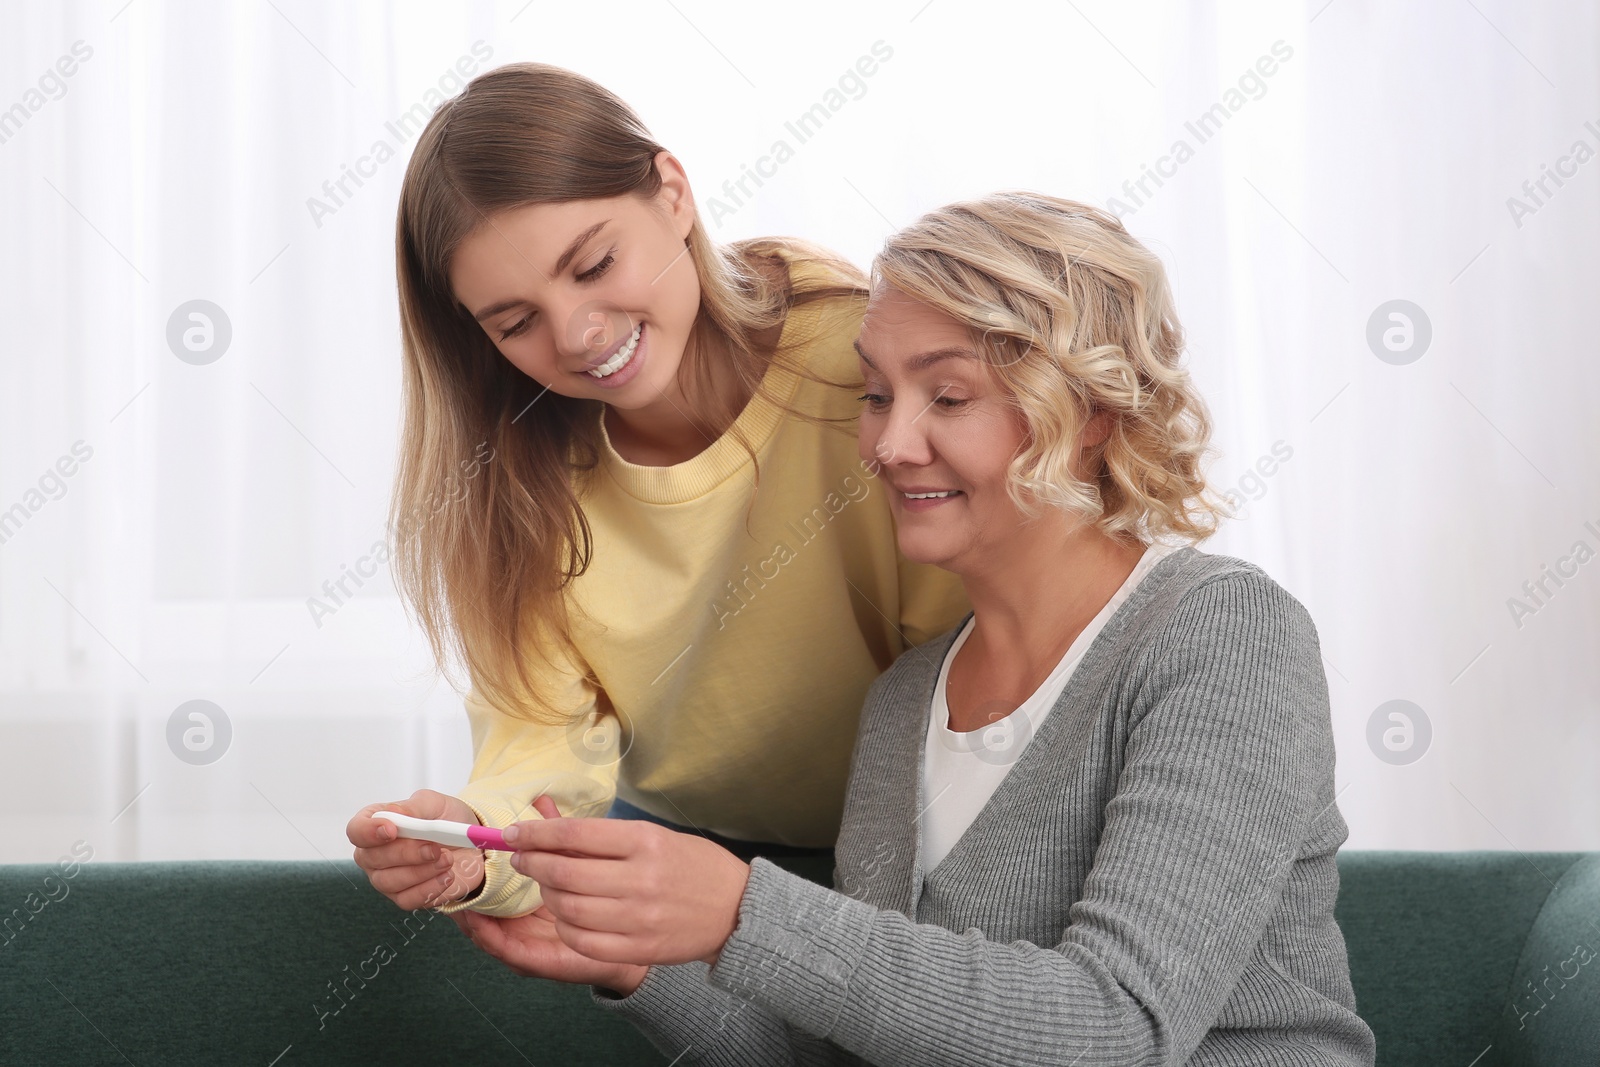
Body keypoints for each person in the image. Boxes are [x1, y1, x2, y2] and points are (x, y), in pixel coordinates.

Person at [454, 193, 1378, 1066]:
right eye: (875, 395)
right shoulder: (905, 699)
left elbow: (1115, 1027)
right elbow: (852, 1047)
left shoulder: (1221, 635)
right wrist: (637, 964)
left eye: (948, 397)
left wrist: (743, 912)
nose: (889, 447)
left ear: (1091, 413)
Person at [344, 62, 968, 919]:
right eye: (516, 322)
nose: (577, 334)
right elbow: (540, 751)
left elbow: (981, 647)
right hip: (678, 844)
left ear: (672, 193)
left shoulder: (858, 364)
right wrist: (478, 842)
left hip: (925, 831)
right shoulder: (519, 485)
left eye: (595, 264)